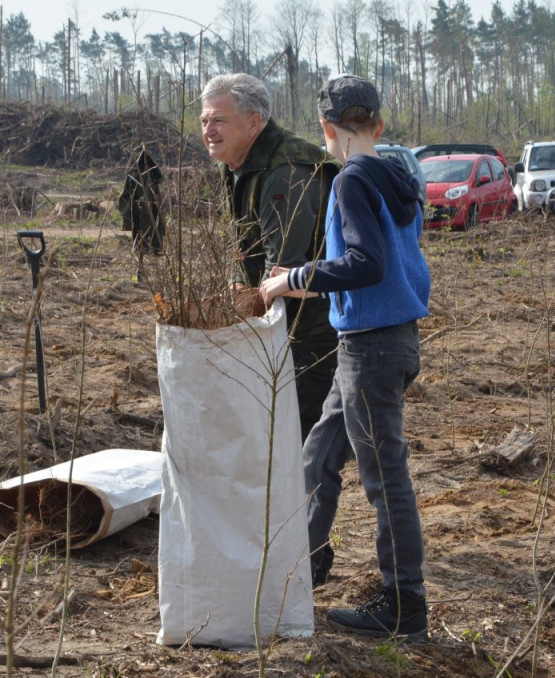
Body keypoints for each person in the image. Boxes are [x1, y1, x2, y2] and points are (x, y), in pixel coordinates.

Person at [259, 75, 431, 640]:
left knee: (386, 479)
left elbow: (366, 263)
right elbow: (377, 269)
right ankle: (305, 566)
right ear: (378, 126)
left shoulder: (351, 180)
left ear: (327, 130)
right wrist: (305, 283)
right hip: (381, 340)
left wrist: (296, 277)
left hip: (372, 349)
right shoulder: (398, 177)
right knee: (317, 457)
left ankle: (403, 607)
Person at [199, 73, 339, 441]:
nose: (208, 130)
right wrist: (235, 283)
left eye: (218, 120)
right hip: (281, 322)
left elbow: (282, 269)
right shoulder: (237, 165)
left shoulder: (285, 170)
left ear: (253, 123)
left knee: (302, 442)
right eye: (204, 121)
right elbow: (245, 243)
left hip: (313, 326)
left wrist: (240, 309)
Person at [117, 148, 165, 282]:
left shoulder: (152, 180)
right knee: (140, 245)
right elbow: (126, 198)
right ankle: (140, 271)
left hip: (148, 217)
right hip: (139, 216)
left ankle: (142, 271)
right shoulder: (136, 178)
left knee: (145, 245)